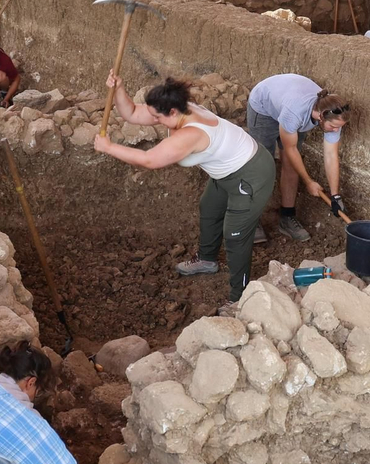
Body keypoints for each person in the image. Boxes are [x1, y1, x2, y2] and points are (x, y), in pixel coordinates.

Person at [95, 75, 277, 302]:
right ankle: (207, 260)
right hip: (226, 171)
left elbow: (149, 160)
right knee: (209, 208)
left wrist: (109, 148)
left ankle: (239, 298)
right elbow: (131, 113)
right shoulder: (179, 108)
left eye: (157, 117)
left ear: (172, 112)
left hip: (251, 174)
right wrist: (119, 88)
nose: (154, 120)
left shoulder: (191, 133)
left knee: (235, 235)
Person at [245, 74, 349, 242]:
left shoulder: (335, 116)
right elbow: (290, 148)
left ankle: (287, 217)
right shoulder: (295, 113)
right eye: (333, 127)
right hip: (264, 107)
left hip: (288, 101)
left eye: (339, 127)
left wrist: (335, 195)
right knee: (261, 165)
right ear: (321, 116)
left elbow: (331, 155)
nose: (336, 130)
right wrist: (308, 181)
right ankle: (251, 220)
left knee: (291, 165)